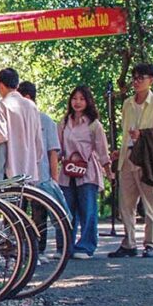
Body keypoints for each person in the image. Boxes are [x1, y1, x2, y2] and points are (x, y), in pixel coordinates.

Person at [110, 63, 153, 259]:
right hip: (128, 157)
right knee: (126, 204)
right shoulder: (127, 104)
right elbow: (126, 133)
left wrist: (144, 134)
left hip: (147, 159)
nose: (136, 81)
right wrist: (120, 151)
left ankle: (151, 244)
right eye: (134, 77)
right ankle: (129, 243)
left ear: (151, 80)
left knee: (150, 203)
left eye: (141, 77)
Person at [57, 86, 112, 258]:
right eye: (74, 98)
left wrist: (109, 172)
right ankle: (65, 247)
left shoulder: (94, 124)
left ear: (88, 101)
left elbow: (102, 151)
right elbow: (58, 149)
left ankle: (86, 247)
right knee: (65, 210)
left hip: (88, 172)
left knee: (87, 210)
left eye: (81, 99)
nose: (78, 102)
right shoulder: (64, 122)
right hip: (67, 172)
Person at [18, 80, 68, 254]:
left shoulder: (46, 121)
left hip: (41, 174)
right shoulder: (15, 121)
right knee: (18, 212)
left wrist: (54, 179)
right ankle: (20, 249)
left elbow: (53, 152)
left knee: (40, 213)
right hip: (18, 175)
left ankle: (39, 249)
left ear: (27, 98)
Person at [0, 68, 45, 180]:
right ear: (16, 85)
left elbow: (2, 136)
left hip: (10, 165)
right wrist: (36, 159)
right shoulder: (31, 105)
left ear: (1, 85)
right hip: (30, 167)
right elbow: (38, 137)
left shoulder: (1, 105)